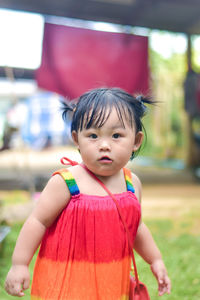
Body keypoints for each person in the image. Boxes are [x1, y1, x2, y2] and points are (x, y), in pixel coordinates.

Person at [5, 87, 171, 299]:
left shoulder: (132, 184)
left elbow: (136, 226)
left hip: (111, 275)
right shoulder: (66, 183)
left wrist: (155, 260)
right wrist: (20, 264)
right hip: (68, 279)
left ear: (136, 141)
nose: (104, 145)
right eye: (92, 135)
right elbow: (37, 221)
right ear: (76, 139)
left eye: (116, 135)